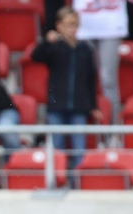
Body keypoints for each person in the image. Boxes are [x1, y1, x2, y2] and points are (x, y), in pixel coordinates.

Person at [31, 7, 100, 166]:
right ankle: (58, 180)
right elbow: (35, 56)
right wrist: (46, 41)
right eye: (68, 24)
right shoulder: (54, 48)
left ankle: (78, 183)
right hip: (56, 104)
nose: (72, 28)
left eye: (75, 24)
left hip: (79, 105)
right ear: (59, 26)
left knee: (79, 148)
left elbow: (91, 80)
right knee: (57, 148)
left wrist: (93, 105)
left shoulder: (86, 49)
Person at [73, 0, 126, 122]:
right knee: (82, 77)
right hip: (84, 26)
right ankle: (81, 121)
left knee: (107, 78)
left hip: (111, 27)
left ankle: (114, 126)